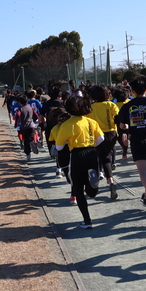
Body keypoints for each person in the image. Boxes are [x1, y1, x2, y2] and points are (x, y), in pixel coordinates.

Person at [54, 95, 105, 228]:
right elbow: (101, 139)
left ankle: (87, 221)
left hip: (76, 155)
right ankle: (92, 184)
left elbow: (59, 147)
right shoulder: (91, 122)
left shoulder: (67, 124)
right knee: (91, 192)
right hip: (92, 153)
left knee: (77, 188)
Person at [117, 76, 146, 212]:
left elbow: (122, 125)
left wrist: (128, 129)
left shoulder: (127, 106)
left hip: (136, 138)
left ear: (132, 91)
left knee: (142, 170)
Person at [86, 85, 119, 199]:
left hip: (98, 134)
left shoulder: (91, 107)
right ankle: (110, 179)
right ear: (107, 94)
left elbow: (87, 121)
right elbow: (117, 117)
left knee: (102, 157)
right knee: (107, 155)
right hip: (111, 133)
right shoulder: (111, 105)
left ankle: (109, 180)